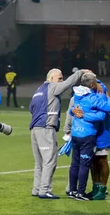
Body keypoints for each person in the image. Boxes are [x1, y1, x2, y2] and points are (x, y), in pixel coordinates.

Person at [29, 68, 85, 199]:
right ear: (51, 79)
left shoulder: (38, 90)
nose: (61, 81)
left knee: (39, 162)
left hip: (35, 129)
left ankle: (36, 189)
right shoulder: (52, 87)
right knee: (49, 161)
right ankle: (45, 190)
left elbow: (31, 108)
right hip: (46, 128)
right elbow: (68, 84)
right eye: (59, 78)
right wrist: (80, 73)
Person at [67, 80, 110, 200]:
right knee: (91, 161)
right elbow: (73, 108)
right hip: (90, 132)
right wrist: (73, 111)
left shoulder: (101, 89)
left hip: (102, 131)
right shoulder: (84, 92)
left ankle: (103, 188)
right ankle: (95, 186)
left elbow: (106, 111)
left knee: (102, 160)